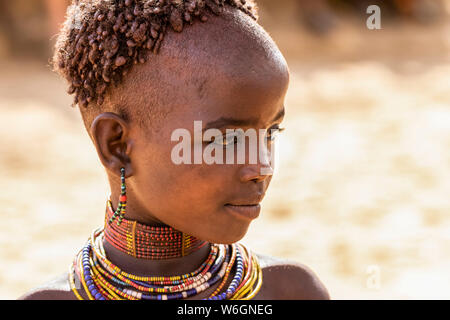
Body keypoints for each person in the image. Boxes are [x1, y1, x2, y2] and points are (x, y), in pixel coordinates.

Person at [19, 0, 329, 300]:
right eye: (226, 141)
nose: (263, 166)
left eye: (271, 132)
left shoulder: (291, 292)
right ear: (117, 146)